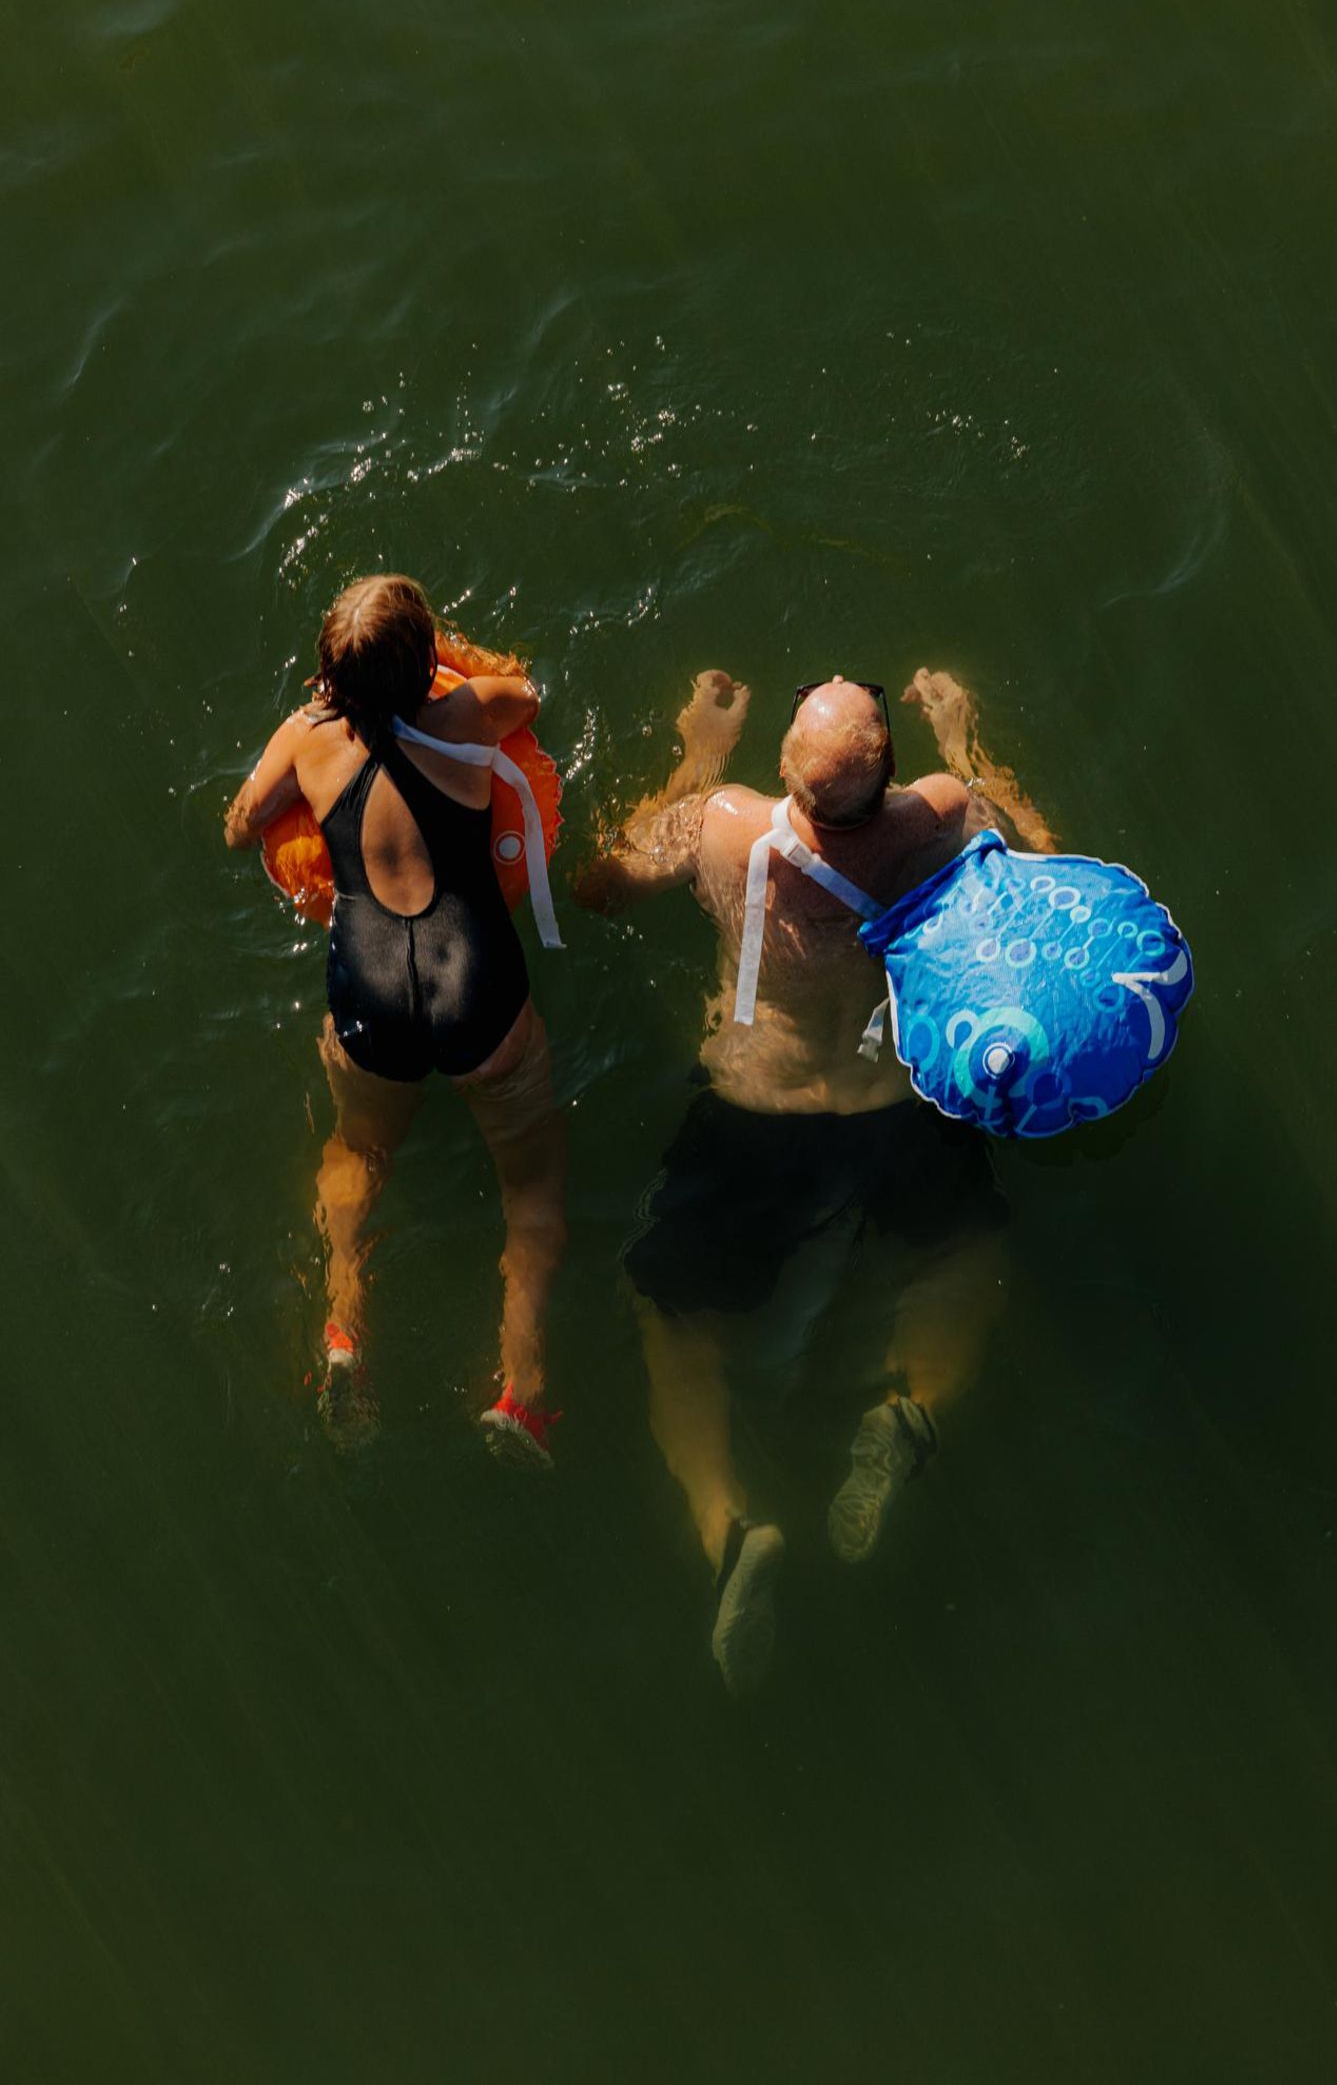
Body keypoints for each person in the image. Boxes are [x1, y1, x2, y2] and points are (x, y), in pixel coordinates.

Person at [576, 666, 1055, 1693]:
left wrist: (698, 756)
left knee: (673, 1311)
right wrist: (966, 743)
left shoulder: (723, 826)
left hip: (757, 1109)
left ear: (787, 774)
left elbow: (598, 886)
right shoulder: (942, 816)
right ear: (888, 772)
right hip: (898, 1099)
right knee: (961, 1255)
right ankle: (912, 1409)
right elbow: (1052, 877)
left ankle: (729, 1526)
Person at [224, 575, 566, 1464]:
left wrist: (309, 749)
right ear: (425, 667)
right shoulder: (468, 716)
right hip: (475, 982)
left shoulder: (305, 738)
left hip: (369, 988)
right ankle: (520, 1394)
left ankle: (344, 1332)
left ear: (329, 681)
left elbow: (239, 826)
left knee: (359, 1153)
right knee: (529, 1185)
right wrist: (447, 660)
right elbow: (529, 695)